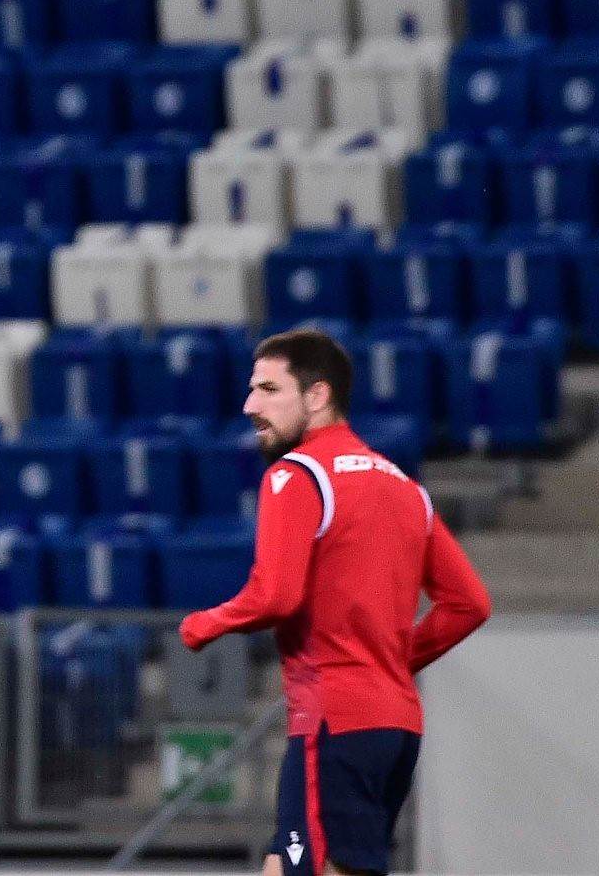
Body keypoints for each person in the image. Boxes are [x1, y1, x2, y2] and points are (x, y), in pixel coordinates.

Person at [179, 328, 492, 876]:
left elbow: (276, 595)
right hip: (394, 726)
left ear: (317, 395)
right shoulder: (405, 488)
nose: (250, 406)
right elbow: (469, 604)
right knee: (288, 865)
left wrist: (205, 623)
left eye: (268, 389)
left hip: (333, 720)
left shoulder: (296, 474)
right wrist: (389, 663)